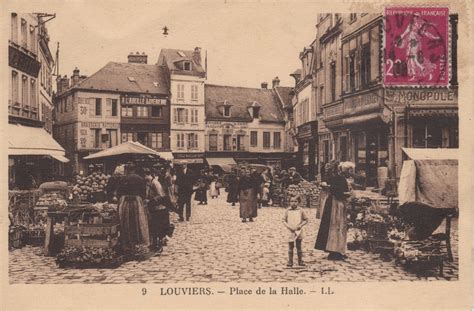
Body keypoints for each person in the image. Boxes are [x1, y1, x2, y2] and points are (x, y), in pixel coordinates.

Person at [314, 161, 351, 260]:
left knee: (338, 227)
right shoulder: (338, 179)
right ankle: (334, 251)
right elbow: (338, 192)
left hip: (335, 204)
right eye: (348, 170)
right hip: (335, 205)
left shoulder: (338, 178)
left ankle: (337, 250)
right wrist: (346, 194)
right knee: (335, 227)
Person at [116, 165, 152, 252]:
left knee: (125, 221)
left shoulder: (122, 179)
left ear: (127, 170)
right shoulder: (140, 179)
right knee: (139, 221)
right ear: (134, 170)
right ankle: (138, 242)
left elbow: (118, 193)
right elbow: (144, 193)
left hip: (125, 202)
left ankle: (127, 243)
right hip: (137, 201)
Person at [145, 169, 172, 253]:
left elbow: (160, 195)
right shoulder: (150, 183)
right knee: (154, 227)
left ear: (149, 175)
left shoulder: (155, 183)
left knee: (158, 227)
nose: (145, 178)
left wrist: (150, 200)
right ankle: (155, 244)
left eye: (145, 176)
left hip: (159, 208)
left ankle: (159, 245)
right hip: (154, 208)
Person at [283, 194, 308, 267]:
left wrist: (300, 225)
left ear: (298, 202)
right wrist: (288, 226)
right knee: (290, 247)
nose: (293, 203)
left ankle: (300, 261)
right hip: (290, 231)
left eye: (295, 201)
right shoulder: (288, 210)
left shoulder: (300, 210)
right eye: (291, 201)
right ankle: (290, 261)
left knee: (299, 246)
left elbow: (306, 220)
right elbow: (284, 220)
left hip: (298, 231)